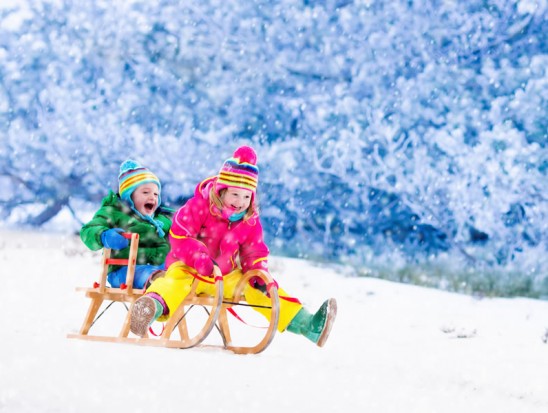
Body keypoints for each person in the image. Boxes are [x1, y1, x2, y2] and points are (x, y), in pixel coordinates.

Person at [130, 146, 337, 347]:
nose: (240, 202)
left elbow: (254, 251)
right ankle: (149, 309)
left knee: (261, 288)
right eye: (235, 195)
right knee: (174, 284)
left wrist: (257, 271)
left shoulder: (249, 221)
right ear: (221, 191)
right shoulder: (198, 206)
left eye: (247, 196)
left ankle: (307, 325)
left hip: (225, 276)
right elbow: (179, 236)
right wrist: (198, 257)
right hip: (189, 269)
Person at [80, 160, 174, 289]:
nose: (153, 197)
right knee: (147, 274)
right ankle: (157, 282)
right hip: (123, 270)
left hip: (160, 266)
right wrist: (104, 235)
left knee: (179, 271)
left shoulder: (162, 219)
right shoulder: (113, 212)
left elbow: (184, 230)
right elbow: (88, 230)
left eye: (156, 194)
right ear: (129, 196)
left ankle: (182, 283)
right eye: (146, 192)